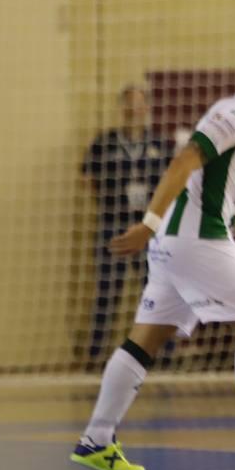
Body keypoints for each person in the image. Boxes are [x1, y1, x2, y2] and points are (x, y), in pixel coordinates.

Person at [71, 46, 235, 470]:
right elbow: (185, 159)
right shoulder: (232, 113)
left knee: (145, 340)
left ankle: (96, 438)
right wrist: (149, 223)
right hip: (198, 240)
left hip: (180, 246)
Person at [81, 86, 169, 365]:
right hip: (114, 227)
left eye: (140, 105)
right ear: (123, 108)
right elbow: (88, 179)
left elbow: (170, 184)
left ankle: (162, 355)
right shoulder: (104, 143)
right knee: (108, 292)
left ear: (146, 109)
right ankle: (95, 356)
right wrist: (110, 206)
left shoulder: (158, 144)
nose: (135, 110)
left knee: (155, 291)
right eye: (130, 105)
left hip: (147, 230)